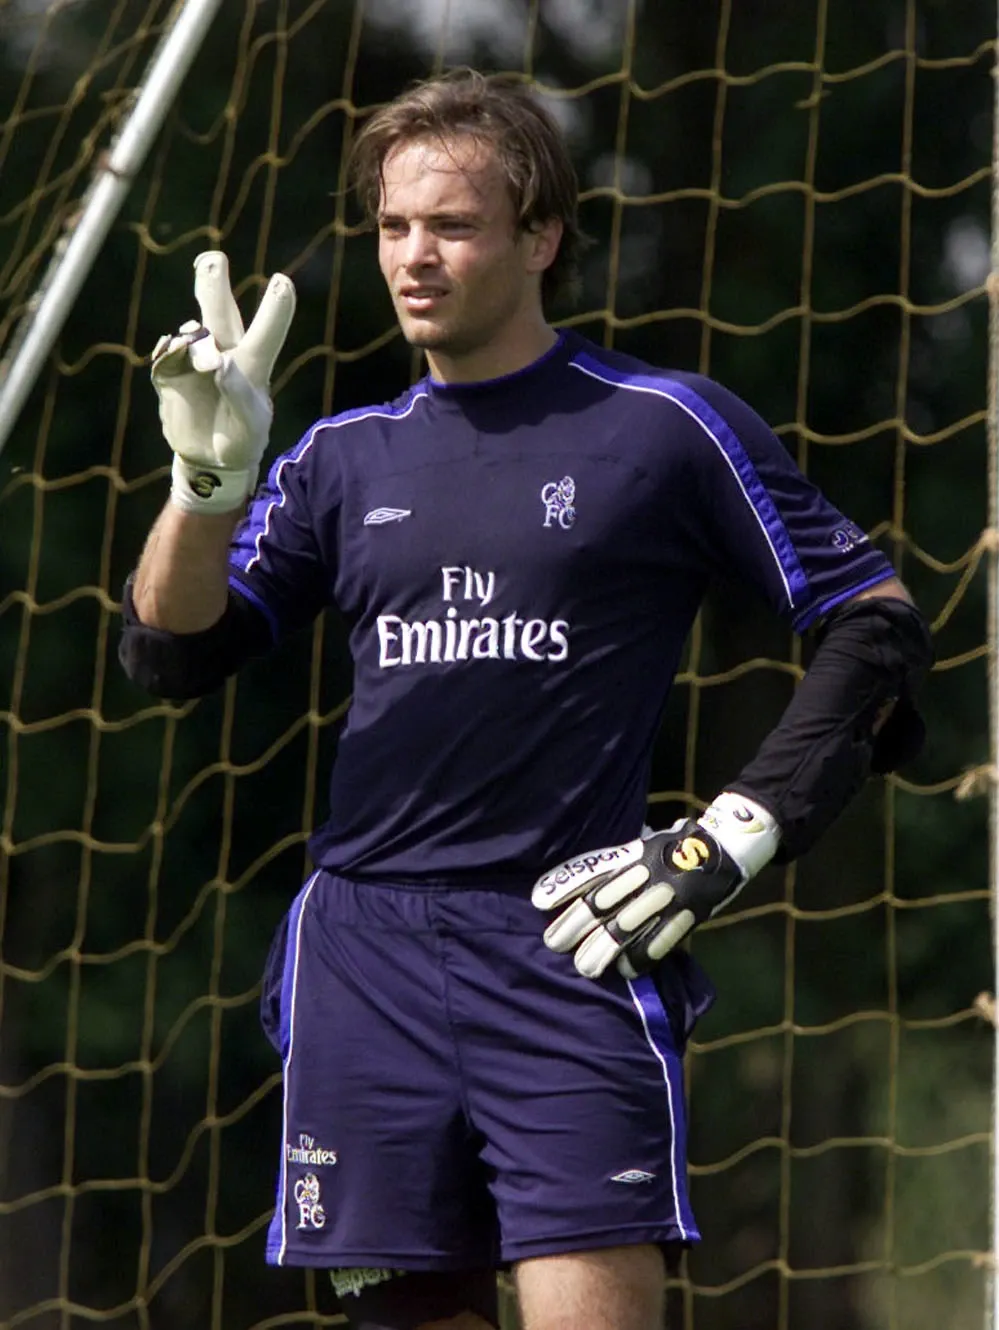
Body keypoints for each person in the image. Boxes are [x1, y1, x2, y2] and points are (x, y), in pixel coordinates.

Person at [119, 68, 932, 1330]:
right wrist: (204, 486)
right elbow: (171, 651)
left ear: (542, 236)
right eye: (393, 228)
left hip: (573, 937)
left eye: (450, 226)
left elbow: (872, 622)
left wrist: (735, 835)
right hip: (364, 960)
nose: (413, 258)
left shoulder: (661, 426)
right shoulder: (341, 454)